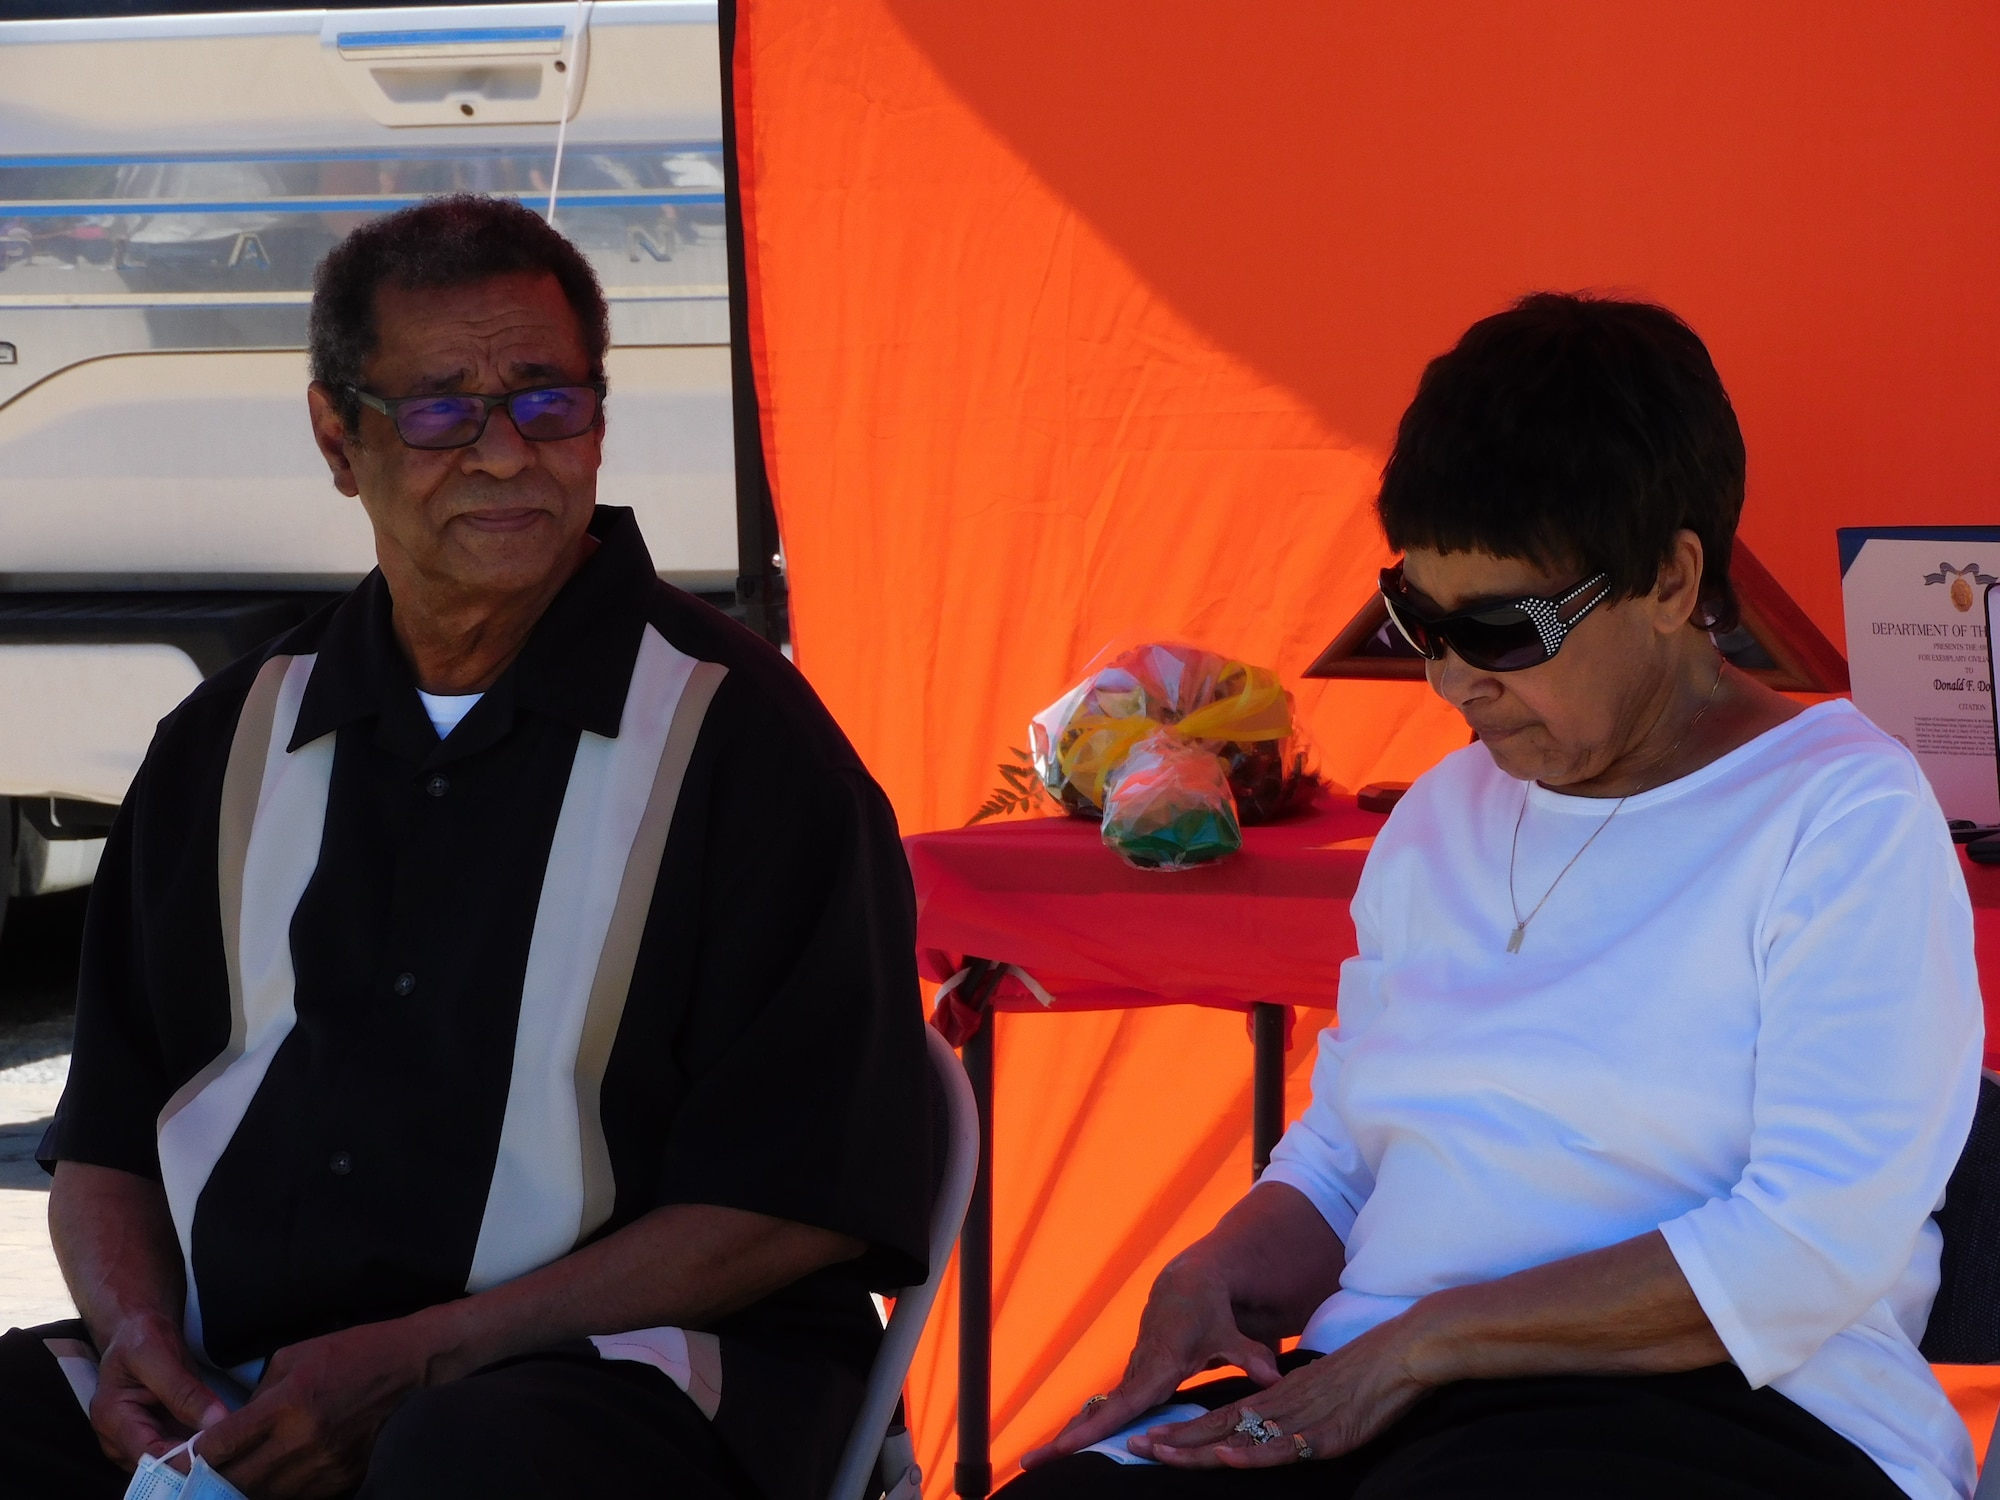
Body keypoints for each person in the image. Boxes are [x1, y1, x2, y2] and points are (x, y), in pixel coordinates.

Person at [0, 194, 934, 1499]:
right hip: (251, 1376)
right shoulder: (224, 744)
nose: (505, 454)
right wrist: (140, 1345)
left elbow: (796, 1201)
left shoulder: (749, 752)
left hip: (626, 1374)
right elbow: (106, 1147)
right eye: (441, 407)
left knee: (465, 1461)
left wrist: (425, 1362)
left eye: (547, 399)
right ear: (338, 436)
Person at [1009, 294, 1982, 1500]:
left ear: (1673, 580)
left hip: (1730, 1411)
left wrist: (1426, 1343)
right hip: (1393, 1391)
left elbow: (1803, 1248)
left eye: (1503, 631)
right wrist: (1214, 1273)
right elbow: (1351, 1155)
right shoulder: (1436, 820)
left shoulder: (1839, 814)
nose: (1450, 678)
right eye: (1415, 618)